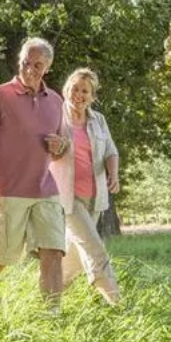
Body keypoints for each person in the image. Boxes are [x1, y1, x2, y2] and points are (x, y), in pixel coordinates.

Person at [0, 37, 68, 314]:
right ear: (20, 60)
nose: (30, 69)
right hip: (8, 190)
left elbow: (61, 147)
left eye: (37, 65)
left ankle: (53, 313)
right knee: (1, 257)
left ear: (47, 67)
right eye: (26, 62)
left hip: (46, 190)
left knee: (53, 252)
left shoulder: (56, 101)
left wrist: (60, 146)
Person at [49, 68, 121, 305]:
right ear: (65, 89)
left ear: (92, 96)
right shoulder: (54, 117)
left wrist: (113, 174)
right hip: (68, 199)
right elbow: (42, 151)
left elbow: (110, 150)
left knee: (75, 258)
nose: (79, 94)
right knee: (95, 249)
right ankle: (118, 304)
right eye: (75, 89)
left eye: (85, 91)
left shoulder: (98, 120)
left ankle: (49, 301)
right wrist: (54, 147)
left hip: (97, 197)